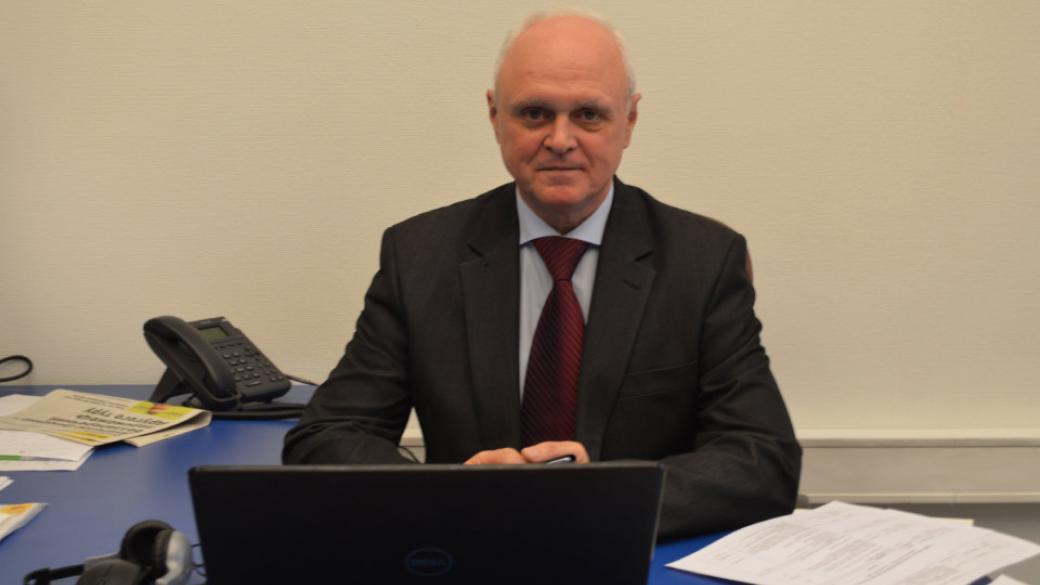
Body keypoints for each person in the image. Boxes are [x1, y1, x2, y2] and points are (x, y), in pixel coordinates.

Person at [283, 11, 801, 539]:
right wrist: (446, 494)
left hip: (629, 554)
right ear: (495, 116)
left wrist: (604, 499)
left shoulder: (703, 260)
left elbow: (763, 458)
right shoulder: (419, 256)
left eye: (588, 115)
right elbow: (325, 437)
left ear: (629, 121)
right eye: (535, 113)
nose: (560, 139)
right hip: (470, 549)